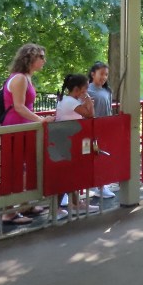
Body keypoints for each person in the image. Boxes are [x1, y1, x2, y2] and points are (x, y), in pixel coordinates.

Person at [0, 43, 49, 224]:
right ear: (30, 58)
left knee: (25, 168)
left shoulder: (26, 77)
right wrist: (40, 120)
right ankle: (8, 212)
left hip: (24, 128)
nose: (44, 60)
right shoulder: (20, 78)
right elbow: (19, 107)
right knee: (14, 169)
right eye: (41, 57)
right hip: (15, 127)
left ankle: (25, 204)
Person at [54, 73, 98, 216]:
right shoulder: (70, 102)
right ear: (78, 89)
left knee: (71, 173)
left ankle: (75, 202)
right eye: (85, 88)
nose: (87, 91)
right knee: (66, 174)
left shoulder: (68, 100)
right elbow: (90, 114)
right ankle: (57, 207)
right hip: (66, 141)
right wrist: (89, 101)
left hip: (66, 140)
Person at [87, 61, 116, 199]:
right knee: (88, 157)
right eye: (101, 74)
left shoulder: (107, 91)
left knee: (102, 156)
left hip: (104, 127)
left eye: (106, 75)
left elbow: (108, 109)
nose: (104, 77)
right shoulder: (87, 90)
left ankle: (101, 185)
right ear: (93, 74)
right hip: (91, 128)